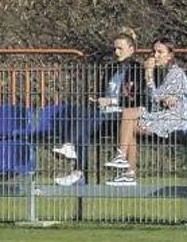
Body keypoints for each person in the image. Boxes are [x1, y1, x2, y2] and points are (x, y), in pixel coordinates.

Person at [52, 29, 144, 186]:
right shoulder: (110, 69)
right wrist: (97, 100)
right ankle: (75, 161)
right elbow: (104, 92)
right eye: (115, 48)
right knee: (79, 114)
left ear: (131, 49)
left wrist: (112, 101)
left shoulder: (137, 69)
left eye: (120, 48)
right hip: (104, 113)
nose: (116, 52)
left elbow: (135, 98)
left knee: (87, 121)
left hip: (121, 114)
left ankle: (77, 166)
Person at [102, 37, 187, 187]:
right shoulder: (161, 72)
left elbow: (155, 100)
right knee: (130, 126)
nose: (155, 55)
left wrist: (148, 75)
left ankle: (121, 156)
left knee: (129, 114)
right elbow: (153, 99)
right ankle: (129, 173)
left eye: (160, 52)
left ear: (170, 55)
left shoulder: (176, 73)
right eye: (154, 52)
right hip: (159, 115)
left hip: (172, 119)